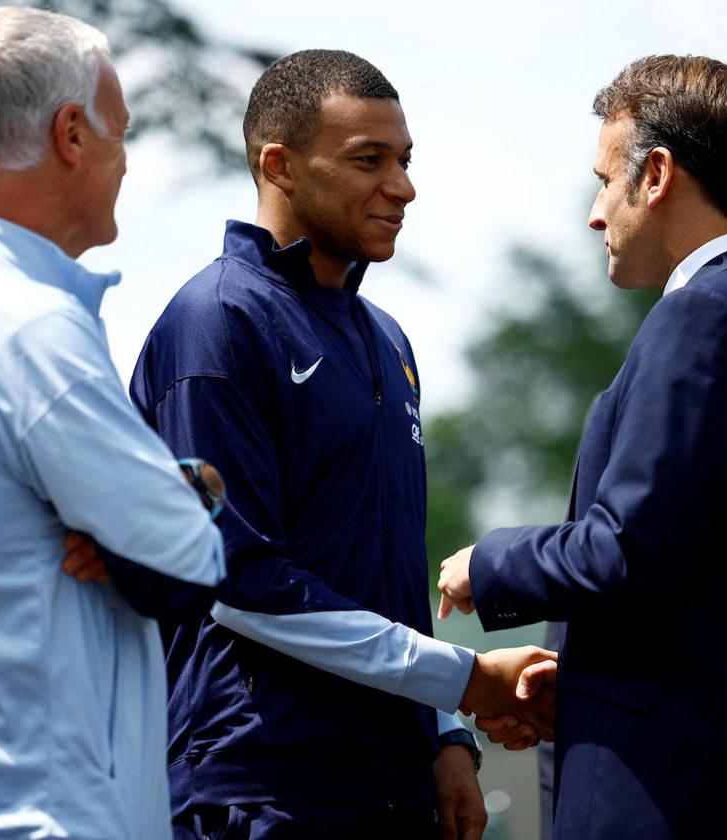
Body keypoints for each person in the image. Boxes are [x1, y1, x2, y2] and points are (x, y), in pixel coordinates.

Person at [121, 49, 552, 839]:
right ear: (278, 165)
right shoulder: (216, 323)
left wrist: (446, 734)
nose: (404, 186)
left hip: (390, 781)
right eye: (369, 160)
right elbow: (237, 580)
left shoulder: (386, 338)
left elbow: (378, 567)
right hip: (262, 784)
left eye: (406, 160)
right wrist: (464, 680)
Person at [438, 55, 727, 839]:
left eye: (604, 180)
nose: (597, 213)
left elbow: (625, 550)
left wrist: (486, 563)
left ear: (657, 175)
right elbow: (721, 580)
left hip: (675, 795)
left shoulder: (706, 314)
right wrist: (585, 681)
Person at [0, 8, 225, 838]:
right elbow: (189, 554)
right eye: (121, 134)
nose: (128, 163)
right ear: (72, 134)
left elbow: (153, 528)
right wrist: (193, 492)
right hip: (44, 816)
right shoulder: (29, 328)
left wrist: (166, 498)